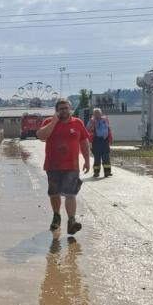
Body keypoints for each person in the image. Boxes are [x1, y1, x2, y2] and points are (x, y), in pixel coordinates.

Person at [36, 98, 91, 235]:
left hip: (72, 166)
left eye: (66, 108)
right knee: (54, 193)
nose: (64, 111)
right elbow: (41, 136)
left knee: (71, 194)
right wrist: (54, 121)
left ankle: (71, 221)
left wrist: (87, 160)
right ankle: (56, 217)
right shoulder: (49, 122)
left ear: (70, 109)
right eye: (61, 109)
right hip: (52, 165)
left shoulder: (77, 123)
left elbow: (83, 141)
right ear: (56, 111)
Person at [86, 107, 113, 178]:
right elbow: (87, 130)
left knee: (106, 157)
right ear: (93, 114)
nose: (97, 114)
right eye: (96, 113)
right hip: (96, 141)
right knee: (97, 158)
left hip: (105, 141)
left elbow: (108, 129)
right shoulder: (91, 121)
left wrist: (110, 139)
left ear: (101, 113)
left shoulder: (105, 119)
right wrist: (93, 124)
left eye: (98, 113)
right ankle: (96, 172)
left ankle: (107, 172)